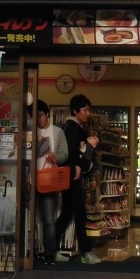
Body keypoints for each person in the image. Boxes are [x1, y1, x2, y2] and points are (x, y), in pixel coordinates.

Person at [53, 93, 101, 264]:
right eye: (85, 110)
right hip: (72, 176)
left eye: (89, 110)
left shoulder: (68, 127)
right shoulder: (74, 128)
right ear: (75, 111)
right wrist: (88, 150)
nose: (88, 113)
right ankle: (86, 252)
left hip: (68, 176)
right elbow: (71, 154)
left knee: (67, 213)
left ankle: (50, 249)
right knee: (80, 213)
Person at [34, 99, 69, 265]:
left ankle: (49, 254)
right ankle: (32, 251)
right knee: (29, 219)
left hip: (49, 180)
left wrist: (54, 156)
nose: (38, 119)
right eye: (34, 116)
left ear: (47, 114)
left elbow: (64, 155)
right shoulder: (30, 132)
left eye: (40, 115)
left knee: (48, 220)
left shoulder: (57, 132)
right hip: (32, 179)